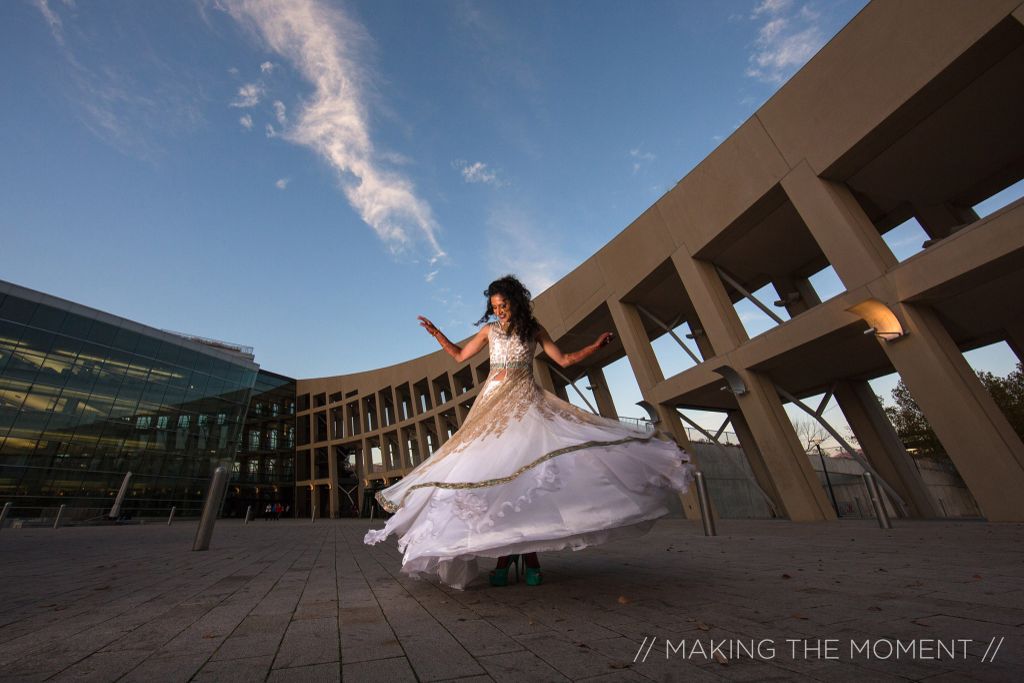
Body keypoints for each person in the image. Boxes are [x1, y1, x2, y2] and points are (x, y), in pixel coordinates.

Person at [364, 275, 694, 589]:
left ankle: (524, 558)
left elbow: (563, 360)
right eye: (494, 306)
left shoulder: (533, 330)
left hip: (525, 403)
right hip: (492, 407)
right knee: (492, 473)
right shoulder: (490, 332)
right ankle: (510, 557)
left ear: (516, 302)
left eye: (502, 304)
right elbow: (459, 356)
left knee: (524, 473)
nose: (498, 310)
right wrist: (437, 333)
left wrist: (594, 347)